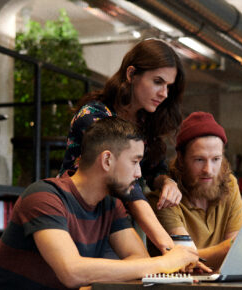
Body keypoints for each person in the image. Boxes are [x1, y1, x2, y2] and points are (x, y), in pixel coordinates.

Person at [0, 117, 199, 289]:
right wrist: (165, 262)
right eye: (135, 162)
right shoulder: (44, 197)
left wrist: (90, 274)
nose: (139, 174)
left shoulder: (110, 204)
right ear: (107, 160)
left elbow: (138, 259)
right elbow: (71, 272)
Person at [60, 39, 184, 253]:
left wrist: (167, 182)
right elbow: (129, 186)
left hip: (121, 221)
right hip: (83, 216)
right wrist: (169, 247)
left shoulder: (146, 120)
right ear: (131, 74)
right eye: (157, 82)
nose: (164, 93)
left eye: (168, 86)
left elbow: (155, 169)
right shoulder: (94, 115)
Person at [147, 112, 242, 269]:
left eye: (216, 159)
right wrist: (232, 246)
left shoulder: (229, 184)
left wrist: (239, 247)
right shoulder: (164, 198)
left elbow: (238, 259)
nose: (208, 170)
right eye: (199, 160)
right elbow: (187, 260)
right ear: (181, 158)